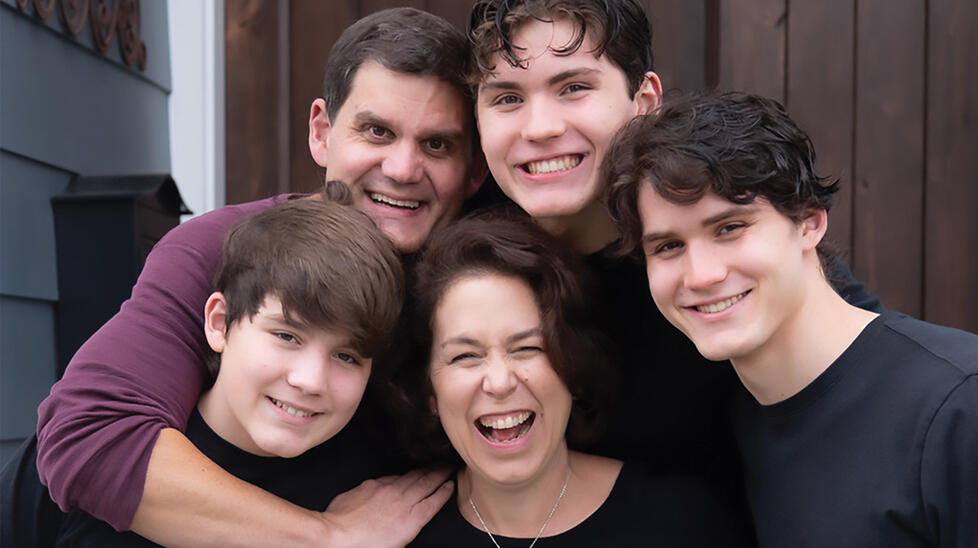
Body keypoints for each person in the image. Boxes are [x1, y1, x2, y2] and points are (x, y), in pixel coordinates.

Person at [34, 8, 483, 547]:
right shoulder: (222, 249)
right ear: (322, 131)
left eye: (437, 144)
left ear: (475, 168)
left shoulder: (482, 285)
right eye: (376, 131)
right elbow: (93, 439)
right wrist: (327, 538)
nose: (404, 168)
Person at [465, 0, 881, 533]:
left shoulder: (711, 252)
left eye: (574, 87)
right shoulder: (459, 247)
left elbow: (870, 369)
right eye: (506, 98)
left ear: (644, 100)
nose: (540, 127)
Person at [604, 90, 978, 548]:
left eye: (729, 228)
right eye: (668, 246)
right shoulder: (731, 423)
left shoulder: (959, 405)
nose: (701, 276)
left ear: (808, 222)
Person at [2, 187, 441, 546]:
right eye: (287, 336)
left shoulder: (379, 500)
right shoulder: (85, 460)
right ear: (218, 323)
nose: (309, 380)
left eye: (346, 356)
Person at [399, 211, 744, 547]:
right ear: (430, 390)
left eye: (527, 348)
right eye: (466, 356)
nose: (500, 382)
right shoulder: (393, 535)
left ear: (572, 364)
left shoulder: (680, 522)